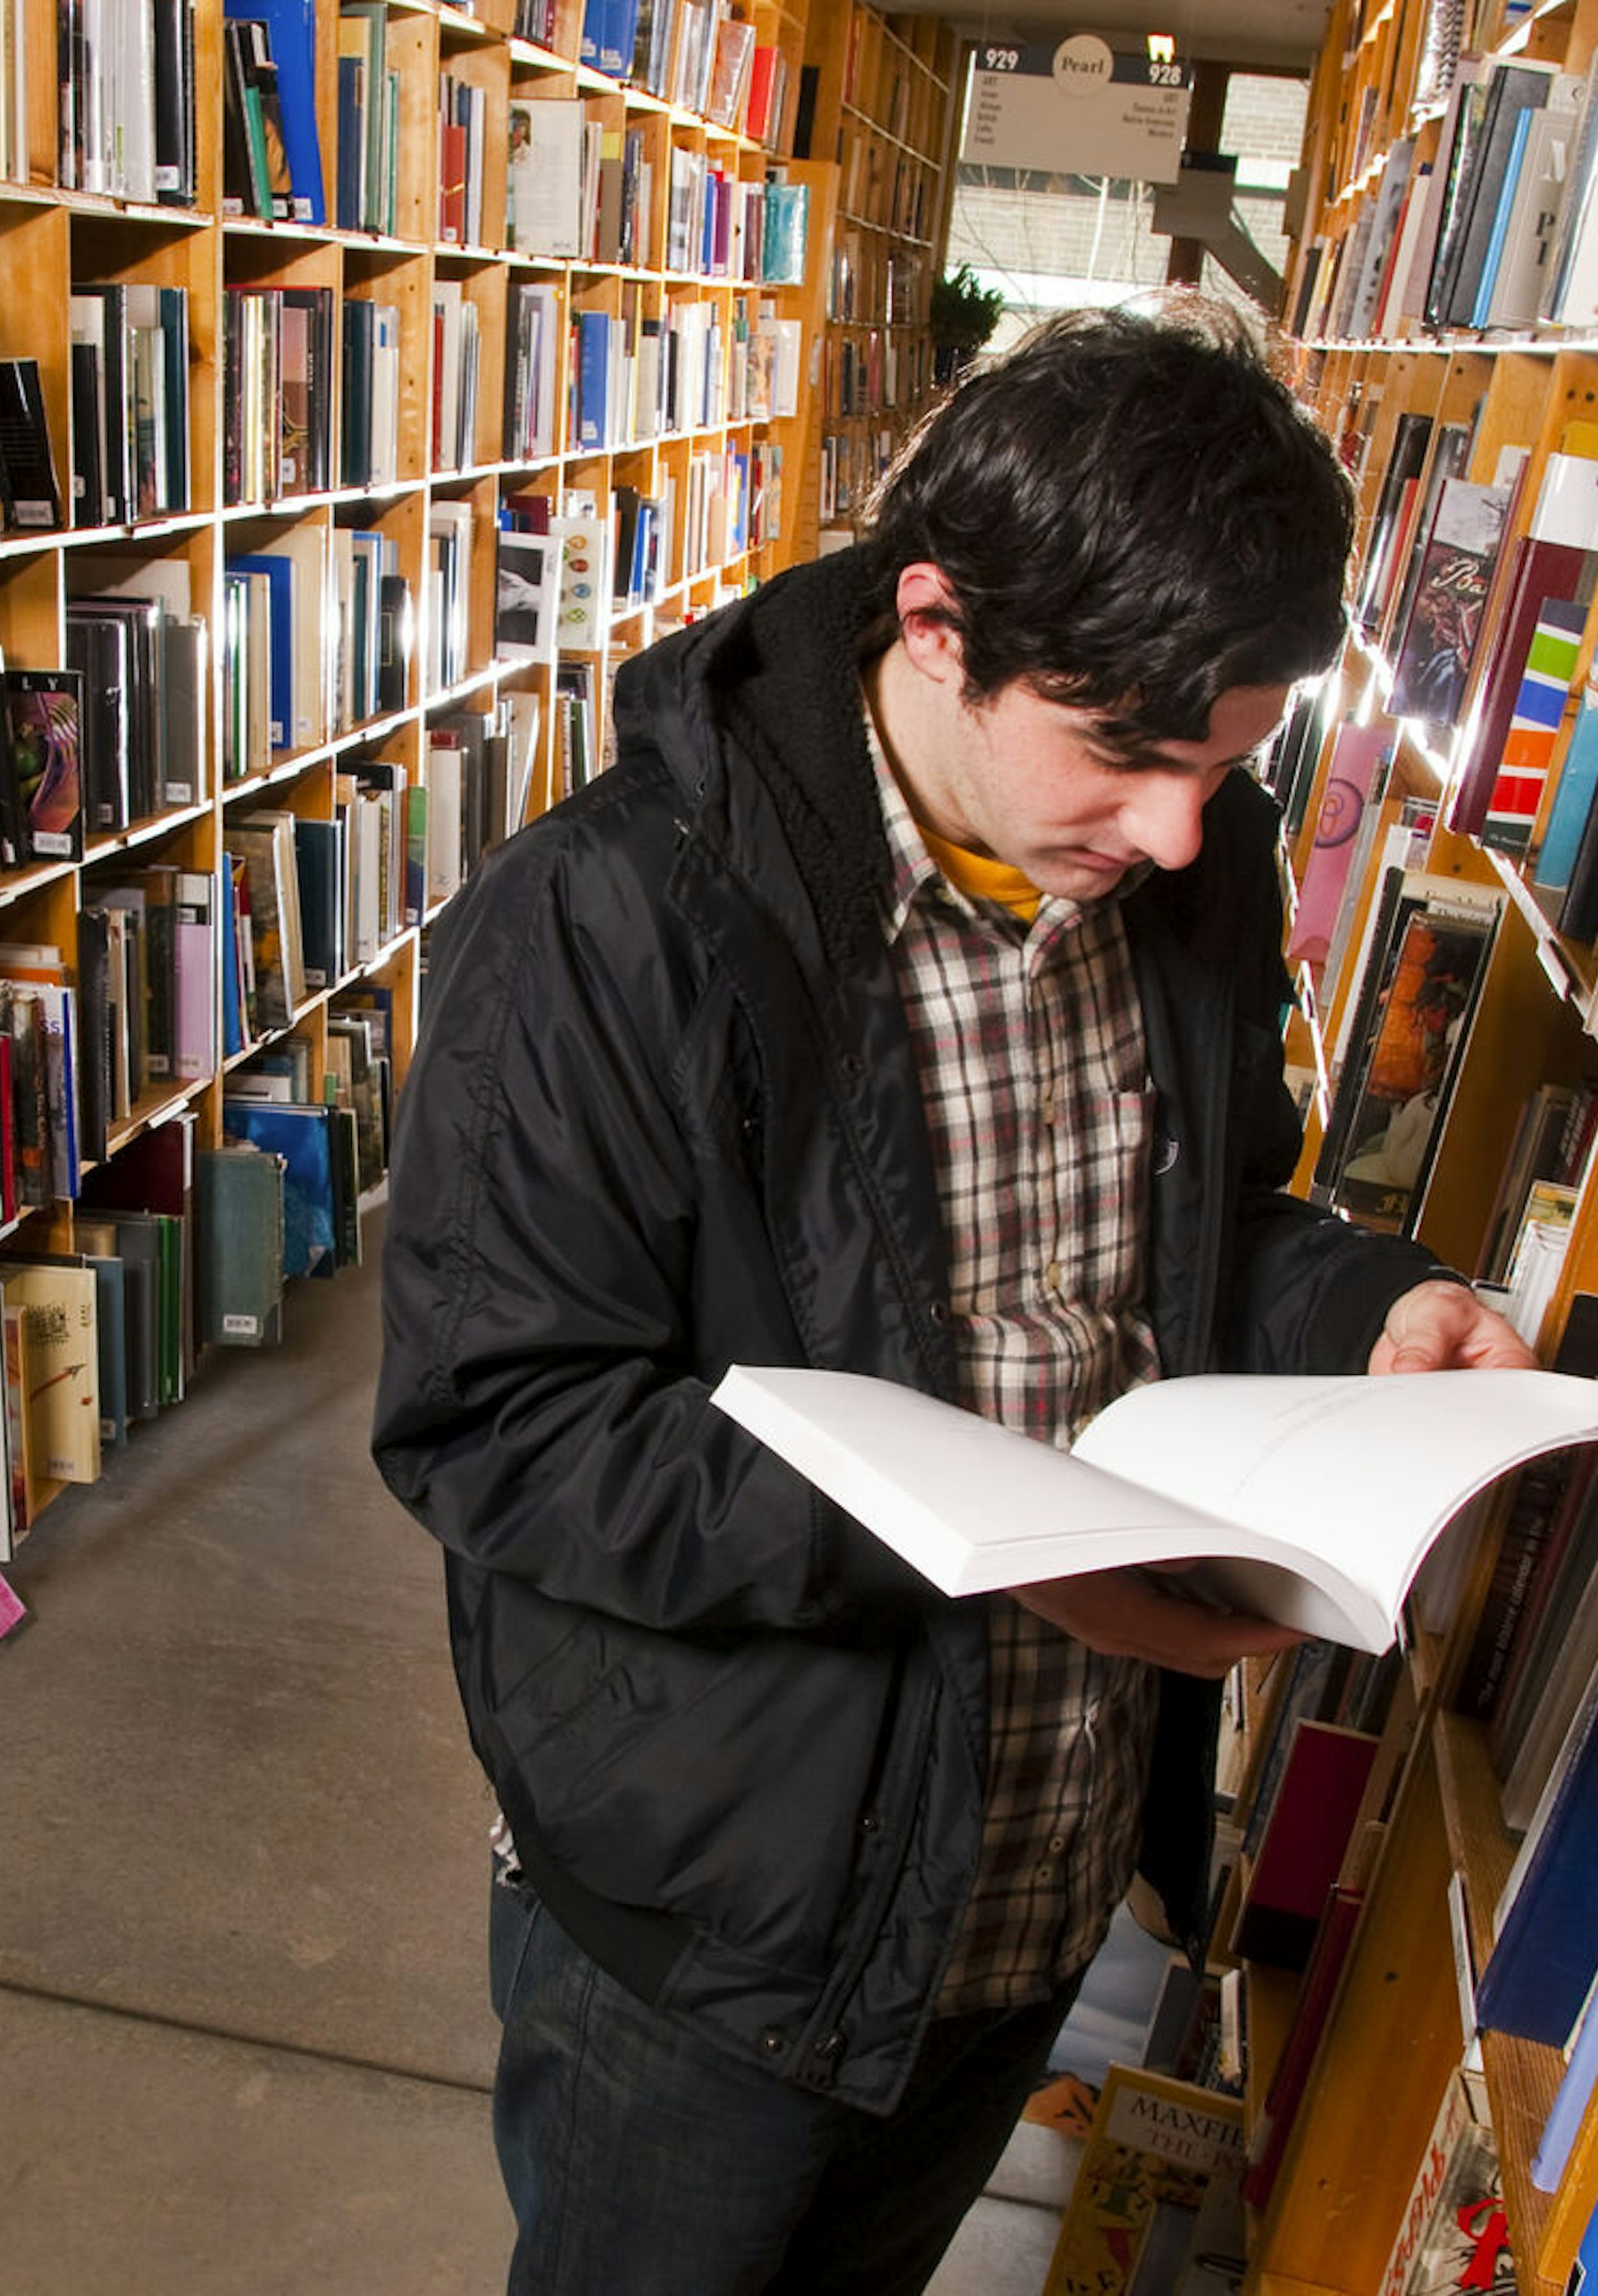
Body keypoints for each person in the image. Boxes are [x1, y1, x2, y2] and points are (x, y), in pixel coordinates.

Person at [368, 301, 1535, 2295]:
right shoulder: (608, 925)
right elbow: (505, 1425)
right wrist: (982, 1536)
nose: (1178, 828)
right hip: (721, 1929)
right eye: (1129, 755)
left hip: (1035, 1876)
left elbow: (1203, 1227)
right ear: (934, 626)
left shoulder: (1187, 863)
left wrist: (1369, 1306)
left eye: (1230, 759)